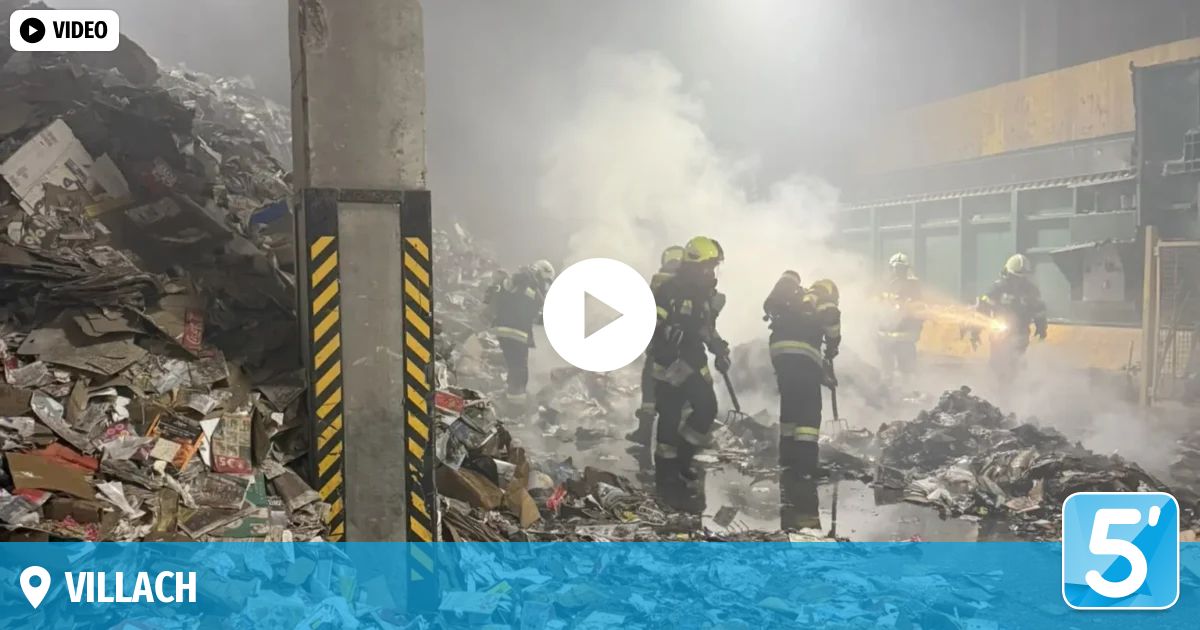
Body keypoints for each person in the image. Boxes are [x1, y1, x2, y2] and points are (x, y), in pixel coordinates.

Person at [649, 236, 729, 513]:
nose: (711, 273)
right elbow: (650, 322)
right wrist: (667, 332)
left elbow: (706, 329)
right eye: (708, 267)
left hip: (693, 362)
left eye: (714, 268)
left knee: (707, 409)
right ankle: (666, 472)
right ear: (694, 265)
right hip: (670, 364)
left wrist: (720, 348)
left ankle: (682, 458)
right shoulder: (669, 290)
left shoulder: (702, 295)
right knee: (669, 417)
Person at [764, 274, 841, 530]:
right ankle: (805, 467)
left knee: (791, 404)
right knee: (809, 412)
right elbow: (831, 321)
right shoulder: (824, 300)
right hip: (802, 353)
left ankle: (786, 458)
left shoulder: (796, 300)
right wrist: (833, 345)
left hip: (779, 352)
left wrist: (823, 370)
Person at [626, 245, 685, 448]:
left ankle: (645, 432)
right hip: (683, 346)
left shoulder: (659, 281)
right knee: (681, 387)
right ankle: (682, 434)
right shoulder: (689, 283)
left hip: (659, 343)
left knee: (650, 385)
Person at [486, 259, 555, 410]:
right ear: (539, 274)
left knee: (514, 368)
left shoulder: (520, 282)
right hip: (516, 333)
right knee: (519, 370)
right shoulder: (527, 284)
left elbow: (531, 312)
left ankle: (510, 401)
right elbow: (533, 312)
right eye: (546, 281)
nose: (546, 285)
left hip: (505, 331)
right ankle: (515, 408)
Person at [974, 254, 1047, 382]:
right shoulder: (997, 288)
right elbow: (983, 310)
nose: (1017, 282)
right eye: (1014, 278)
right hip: (1000, 334)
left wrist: (1041, 328)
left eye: (1020, 279)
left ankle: (1014, 389)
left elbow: (1039, 311)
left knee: (1017, 364)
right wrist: (976, 331)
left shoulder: (1031, 291)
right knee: (997, 364)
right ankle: (994, 389)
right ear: (1008, 274)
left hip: (1021, 334)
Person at [877, 252, 924, 384]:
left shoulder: (913, 285)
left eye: (901, 269)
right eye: (896, 269)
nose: (898, 272)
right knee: (887, 367)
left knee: (906, 368)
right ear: (891, 269)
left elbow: (918, 311)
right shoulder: (885, 284)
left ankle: (907, 391)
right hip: (886, 334)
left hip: (905, 335)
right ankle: (888, 391)